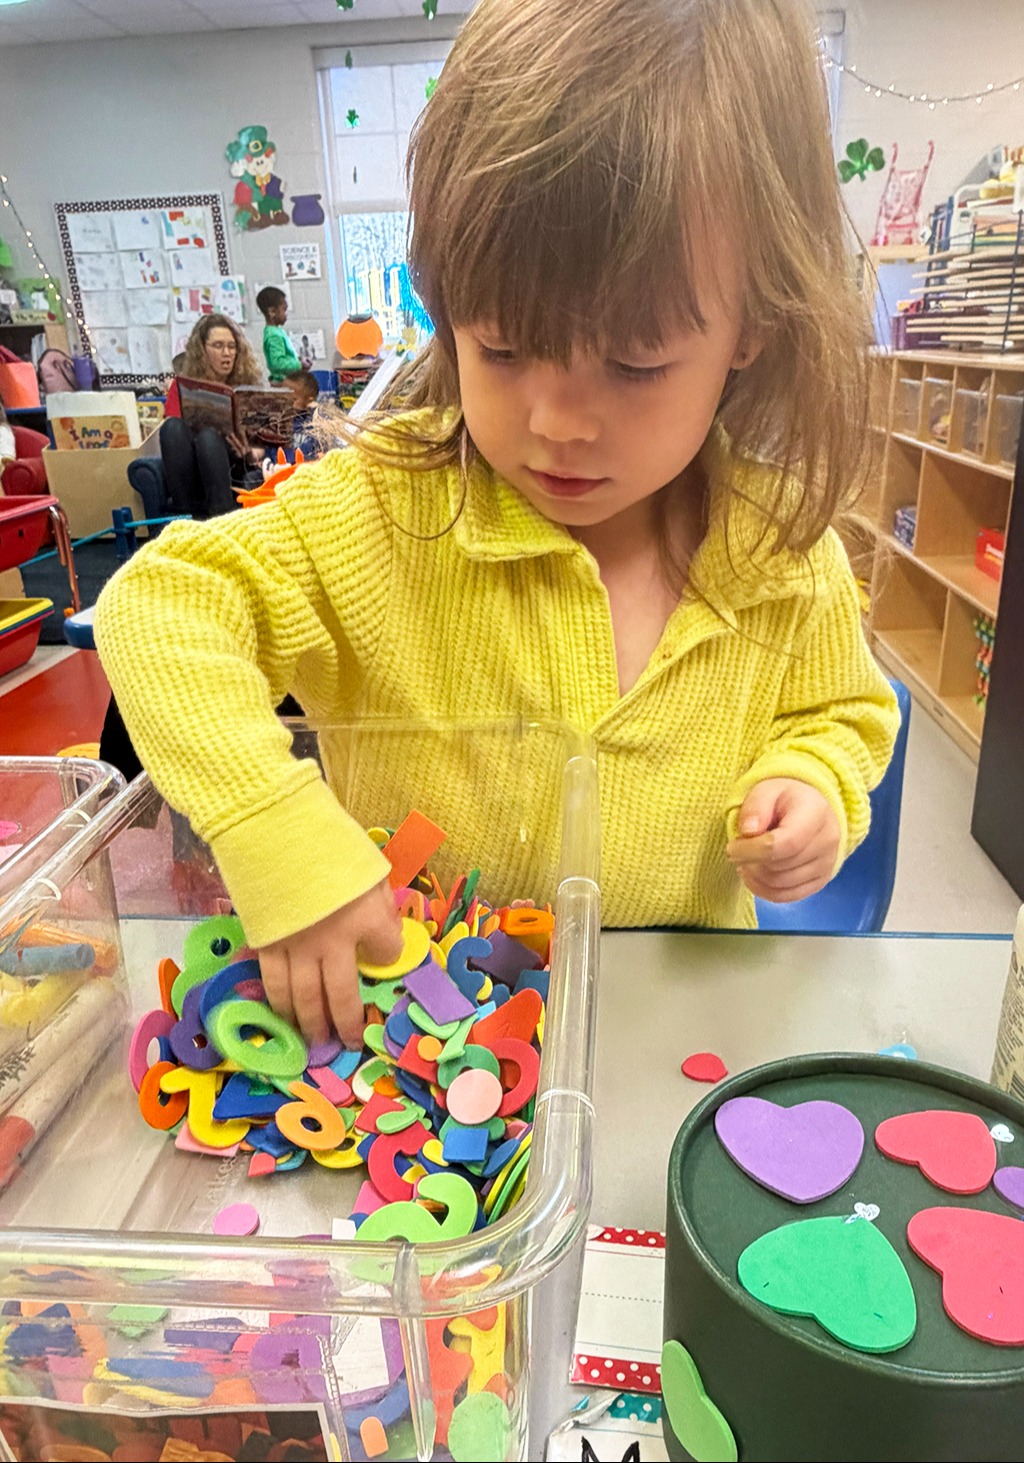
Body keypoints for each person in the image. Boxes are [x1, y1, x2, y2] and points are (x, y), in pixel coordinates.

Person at [96, 0, 899, 1051]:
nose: (557, 424)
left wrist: (815, 784)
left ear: (751, 324)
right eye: (504, 350)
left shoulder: (780, 550)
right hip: (417, 1061)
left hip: (673, 1035)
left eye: (636, 363)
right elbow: (157, 609)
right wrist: (278, 834)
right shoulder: (386, 511)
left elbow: (840, 710)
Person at [161, 314, 265, 518]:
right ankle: (184, 517)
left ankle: (222, 515)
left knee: (209, 437)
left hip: (233, 463)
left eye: (232, 346)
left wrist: (249, 452)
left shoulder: (248, 388)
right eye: (218, 345)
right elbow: (173, 434)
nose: (226, 353)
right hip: (191, 467)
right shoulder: (181, 386)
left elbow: (260, 447)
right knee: (172, 427)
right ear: (202, 350)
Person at [256, 286, 301, 382]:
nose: (286, 314)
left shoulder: (276, 331)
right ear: (272, 312)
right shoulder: (273, 335)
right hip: (282, 383)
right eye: (284, 309)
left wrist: (297, 360)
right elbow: (277, 364)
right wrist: (299, 365)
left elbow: (285, 357)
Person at [285, 369, 320, 459]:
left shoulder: (316, 420)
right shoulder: (286, 419)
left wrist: (314, 410)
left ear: (309, 400)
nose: (288, 404)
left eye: (294, 399)